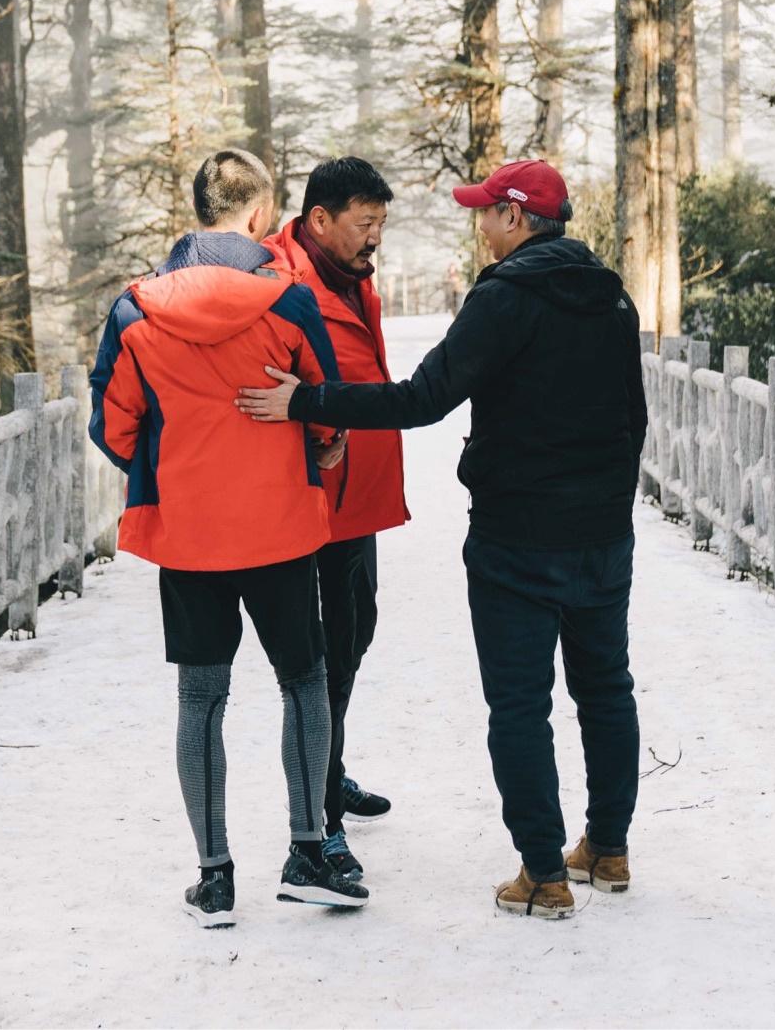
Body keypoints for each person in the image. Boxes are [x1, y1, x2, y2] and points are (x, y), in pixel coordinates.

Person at [238, 158, 645, 921]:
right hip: (601, 534)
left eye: (488, 212)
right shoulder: (612, 297)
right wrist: (609, 506)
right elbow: (635, 417)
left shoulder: (505, 297)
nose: (481, 225)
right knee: (606, 688)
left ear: (516, 217)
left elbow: (422, 398)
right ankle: (608, 848)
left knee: (520, 705)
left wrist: (308, 401)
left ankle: (543, 874)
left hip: (517, 538)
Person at [88, 148, 372, 926]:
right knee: (304, 683)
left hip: (188, 535)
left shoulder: (135, 310)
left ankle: (214, 879)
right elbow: (322, 401)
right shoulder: (289, 301)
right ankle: (308, 852)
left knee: (201, 699)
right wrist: (324, 444)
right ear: (260, 213)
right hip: (280, 528)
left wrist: (172, 456)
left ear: (198, 209)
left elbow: (112, 426)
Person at [264, 156, 408, 882]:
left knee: (357, 630)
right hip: (314, 493)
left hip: (361, 493)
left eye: (381, 223)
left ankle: (332, 763)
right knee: (324, 654)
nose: (374, 237)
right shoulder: (281, 280)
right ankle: (320, 816)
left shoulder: (350, 274)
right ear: (319, 219)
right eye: (364, 223)